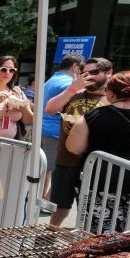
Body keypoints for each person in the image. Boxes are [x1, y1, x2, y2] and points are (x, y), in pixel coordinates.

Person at [66, 70, 130, 232]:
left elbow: (74, 148)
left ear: (109, 92)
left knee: (104, 239)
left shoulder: (93, 116)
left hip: (103, 188)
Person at [45, 57, 112, 227]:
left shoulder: (112, 99)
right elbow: (50, 108)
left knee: (91, 212)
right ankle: (46, 240)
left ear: (109, 73)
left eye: (95, 72)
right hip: (65, 161)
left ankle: (85, 246)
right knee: (59, 208)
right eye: (85, 73)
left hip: (95, 166)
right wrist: (72, 89)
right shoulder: (75, 94)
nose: (89, 77)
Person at [41, 54, 84, 201]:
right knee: (55, 169)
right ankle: (46, 200)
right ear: (75, 66)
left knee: (46, 168)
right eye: (81, 68)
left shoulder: (51, 80)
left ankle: (41, 198)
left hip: (45, 128)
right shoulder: (69, 84)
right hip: (56, 131)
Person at [0, 56, 33, 139]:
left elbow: (28, 121)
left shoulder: (18, 91)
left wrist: (24, 108)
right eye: (4, 69)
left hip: (10, 144)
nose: (7, 73)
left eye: (12, 70)